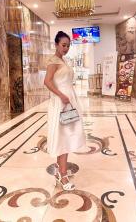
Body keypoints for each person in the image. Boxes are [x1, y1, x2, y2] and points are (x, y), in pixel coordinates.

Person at [44, 31, 86, 191]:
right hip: (61, 102)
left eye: (68, 45)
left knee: (67, 136)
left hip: (68, 101)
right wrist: (62, 95)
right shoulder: (53, 61)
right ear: (56, 44)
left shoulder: (63, 60)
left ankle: (61, 169)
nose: (66, 48)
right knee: (63, 137)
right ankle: (62, 175)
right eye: (63, 45)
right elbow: (47, 82)